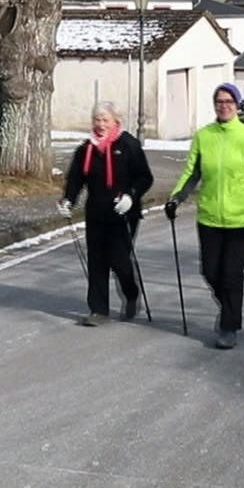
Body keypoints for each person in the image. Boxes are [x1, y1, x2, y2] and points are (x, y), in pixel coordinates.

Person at [163, 82, 244, 349]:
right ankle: (229, 308)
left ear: (237, 106)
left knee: (231, 273)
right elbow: (192, 172)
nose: (224, 106)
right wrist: (176, 198)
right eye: (219, 102)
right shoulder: (204, 136)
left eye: (229, 102)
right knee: (211, 272)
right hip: (210, 217)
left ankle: (229, 326)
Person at [59, 100, 154, 326]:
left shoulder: (128, 144)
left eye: (105, 120)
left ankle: (131, 293)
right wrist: (68, 200)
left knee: (119, 260)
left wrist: (131, 196)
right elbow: (75, 179)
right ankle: (98, 310)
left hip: (123, 214)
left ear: (115, 122)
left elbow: (145, 177)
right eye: (97, 120)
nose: (100, 124)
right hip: (96, 213)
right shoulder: (86, 149)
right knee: (97, 261)